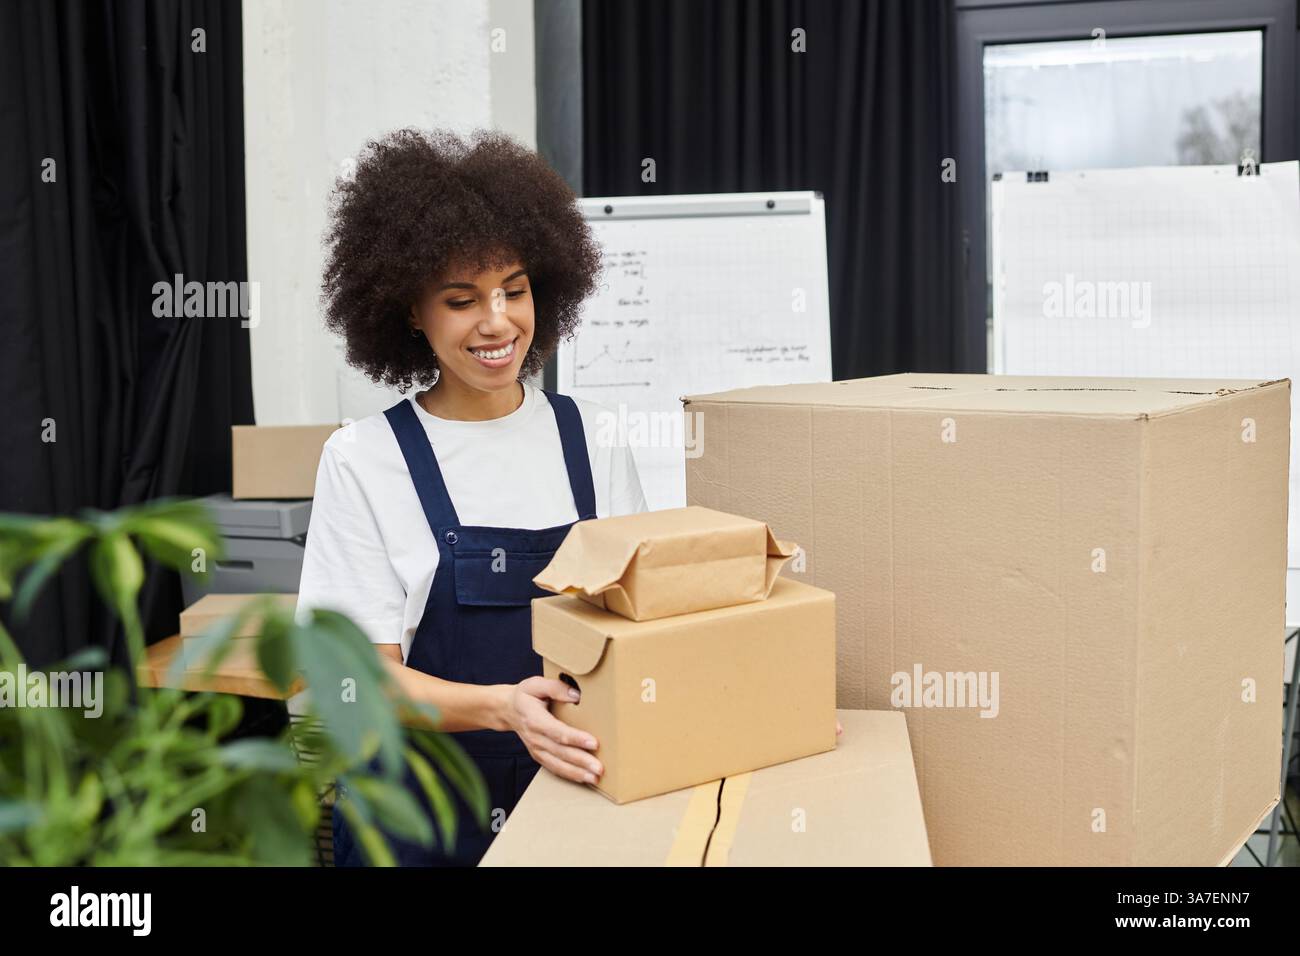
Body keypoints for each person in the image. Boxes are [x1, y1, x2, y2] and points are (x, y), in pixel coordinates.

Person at [298, 128, 647, 866]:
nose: (497, 322)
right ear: (409, 315)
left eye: (513, 290)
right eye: (461, 300)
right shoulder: (364, 459)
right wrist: (500, 709)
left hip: (575, 796)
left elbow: (643, 632)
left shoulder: (595, 440)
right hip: (421, 817)